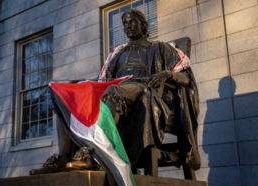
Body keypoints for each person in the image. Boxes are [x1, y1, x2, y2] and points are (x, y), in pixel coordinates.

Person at [30, 9, 200, 175]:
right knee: (69, 96)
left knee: (113, 91)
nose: (128, 26)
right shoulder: (118, 53)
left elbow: (185, 77)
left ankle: (97, 154)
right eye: (125, 23)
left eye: (132, 21)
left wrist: (167, 74)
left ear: (143, 25)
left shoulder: (160, 47)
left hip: (144, 91)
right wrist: (80, 85)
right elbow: (103, 80)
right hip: (117, 93)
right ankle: (63, 157)